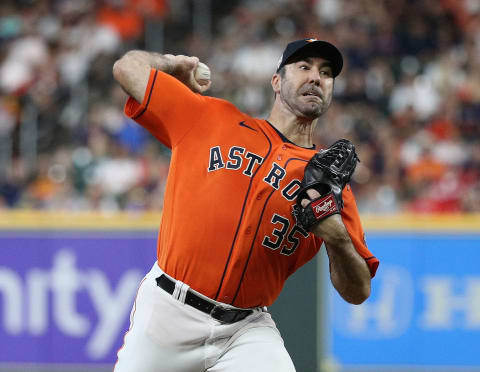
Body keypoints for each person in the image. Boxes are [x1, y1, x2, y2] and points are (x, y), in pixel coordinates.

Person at [112, 38, 379, 372]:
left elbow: (358, 291)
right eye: (304, 67)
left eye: (326, 73)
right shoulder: (210, 117)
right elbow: (126, 68)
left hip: (246, 331)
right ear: (276, 81)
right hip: (169, 311)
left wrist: (337, 239)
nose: (316, 77)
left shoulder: (329, 186)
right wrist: (169, 64)